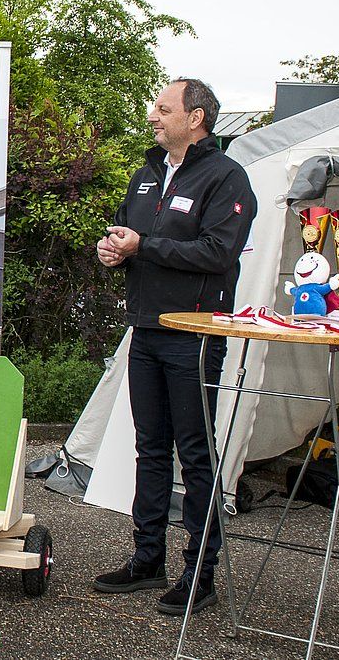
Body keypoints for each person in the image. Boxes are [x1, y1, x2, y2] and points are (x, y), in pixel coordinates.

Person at [92, 78, 256, 615]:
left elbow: (216, 252)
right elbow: (131, 234)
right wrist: (116, 250)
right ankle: (147, 560)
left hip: (196, 332)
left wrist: (147, 246)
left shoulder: (227, 178)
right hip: (147, 327)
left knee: (194, 451)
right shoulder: (146, 174)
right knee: (151, 446)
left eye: (164, 108)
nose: (153, 115)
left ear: (197, 118)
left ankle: (200, 574)